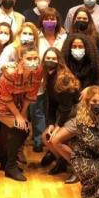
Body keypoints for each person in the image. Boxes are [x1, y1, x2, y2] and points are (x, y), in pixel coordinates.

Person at [0, 47, 43, 181]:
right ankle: (10, 166)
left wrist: (22, 114)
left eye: (35, 58)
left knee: (24, 127)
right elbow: (6, 97)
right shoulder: (11, 73)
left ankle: (6, 162)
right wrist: (18, 116)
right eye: (29, 58)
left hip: (16, 100)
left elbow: (30, 95)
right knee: (19, 128)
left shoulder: (39, 71)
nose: (33, 62)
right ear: (21, 59)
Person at [41, 47, 81, 183]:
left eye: (53, 59)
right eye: (47, 58)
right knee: (45, 137)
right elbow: (51, 105)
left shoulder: (63, 78)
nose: (50, 61)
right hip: (65, 114)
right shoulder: (49, 77)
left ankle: (79, 168)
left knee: (55, 140)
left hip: (77, 114)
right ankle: (62, 162)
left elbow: (66, 107)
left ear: (59, 61)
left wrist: (57, 128)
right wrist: (51, 125)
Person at [32, 8, 67, 152]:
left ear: (57, 21)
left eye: (53, 19)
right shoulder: (36, 37)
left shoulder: (64, 37)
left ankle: (54, 142)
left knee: (54, 111)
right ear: (41, 21)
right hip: (38, 80)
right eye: (46, 19)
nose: (50, 21)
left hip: (57, 81)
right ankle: (39, 141)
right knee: (37, 111)